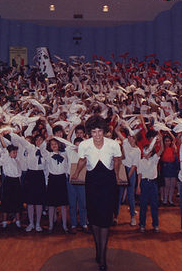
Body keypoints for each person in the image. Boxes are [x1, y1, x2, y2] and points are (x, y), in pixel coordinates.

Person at [72, 115, 121, 271]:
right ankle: (97, 247)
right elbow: (82, 160)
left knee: (105, 217)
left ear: (104, 131)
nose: (97, 135)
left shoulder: (113, 144)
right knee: (93, 216)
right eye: (94, 132)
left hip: (108, 182)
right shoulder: (84, 145)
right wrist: (76, 173)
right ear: (89, 132)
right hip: (92, 181)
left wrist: (117, 174)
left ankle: (102, 256)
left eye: (100, 131)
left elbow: (117, 160)